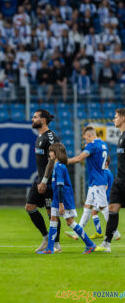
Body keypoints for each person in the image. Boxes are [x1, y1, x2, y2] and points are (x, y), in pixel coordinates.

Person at [37, 143, 97, 254]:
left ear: (56, 153)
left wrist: (61, 204)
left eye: (51, 151)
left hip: (63, 199)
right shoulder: (57, 166)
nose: (49, 153)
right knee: (53, 219)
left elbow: (60, 187)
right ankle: (50, 249)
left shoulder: (60, 167)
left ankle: (90, 244)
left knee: (70, 222)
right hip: (57, 198)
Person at [26, 109, 63, 253]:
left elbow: (52, 161)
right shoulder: (39, 136)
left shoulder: (51, 137)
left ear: (43, 120)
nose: (32, 119)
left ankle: (56, 244)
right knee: (29, 207)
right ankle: (47, 238)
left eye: (35, 117)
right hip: (40, 179)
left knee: (51, 213)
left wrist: (45, 181)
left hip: (49, 181)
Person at [64, 126, 109, 240]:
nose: (85, 141)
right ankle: (78, 232)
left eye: (85, 139)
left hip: (97, 181)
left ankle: (114, 232)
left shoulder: (92, 145)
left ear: (89, 135)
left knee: (103, 207)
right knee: (87, 207)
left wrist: (64, 161)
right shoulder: (103, 144)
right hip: (97, 180)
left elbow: (79, 158)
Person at [97, 108, 125, 252]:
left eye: (116, 117)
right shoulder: (121, 136)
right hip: (119, 181)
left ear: (123, 118)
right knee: (112, 209)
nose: (114, 119)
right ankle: (107, 243)